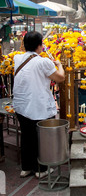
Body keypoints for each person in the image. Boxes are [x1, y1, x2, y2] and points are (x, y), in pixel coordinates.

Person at [13, 31, 65, 178]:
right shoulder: (43, 62)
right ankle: (41, 170)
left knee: (26, 136)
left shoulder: (17, 58)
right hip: (37, 105)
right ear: (39, 45)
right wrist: (60, 65)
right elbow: (60, 78)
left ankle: (26, 167)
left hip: (21, 105)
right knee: (41, 138)